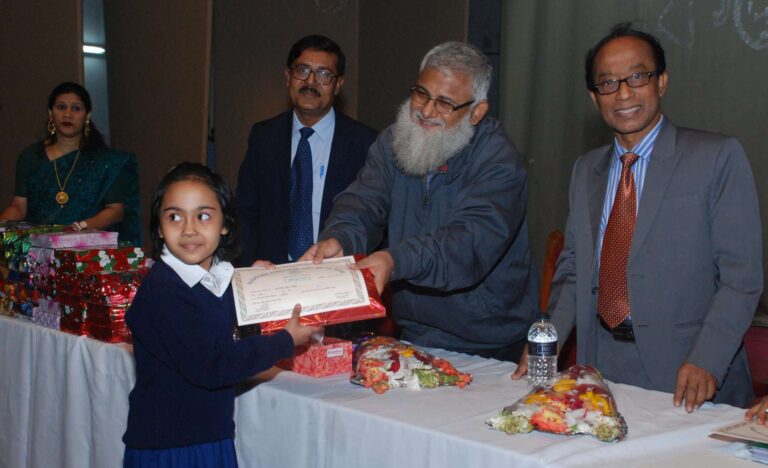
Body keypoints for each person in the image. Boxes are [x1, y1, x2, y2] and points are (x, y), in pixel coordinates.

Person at [513, 24, 762, 411]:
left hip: (688, 372)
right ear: (594, 97)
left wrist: (707, 359)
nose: (624, 93)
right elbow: (574, 270)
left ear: (661, 82)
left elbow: (741, 279)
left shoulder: (716, 158)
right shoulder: (586, 169)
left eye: (637, 77)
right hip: (599, 367)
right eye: (608, 83)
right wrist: (547, 344)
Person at [302, 41, 539, 362]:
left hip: (490, 342)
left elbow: (467, 243)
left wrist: (395, 260)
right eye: (421, 94)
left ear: (477, 112)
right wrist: (340, 238)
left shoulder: (499, 161)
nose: (426, 111)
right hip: (416, 333)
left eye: (445, 103)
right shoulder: (395, 140)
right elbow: (362, 202)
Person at [123, 163, 319, 466]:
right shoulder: (163, 291)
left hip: (206, 436)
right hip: (172, 447)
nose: (189, 229)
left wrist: (250, 282)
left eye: (203, 216)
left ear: (225, 224)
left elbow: (216, 303)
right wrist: (284, 341)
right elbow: (212, 365)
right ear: (159, 227)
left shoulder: (214, 277)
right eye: (174, 216)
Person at [235, 34, 377, 266]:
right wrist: (251, 266)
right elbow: (246, 211)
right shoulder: (264, 137)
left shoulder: (365, 143)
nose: (311, 82)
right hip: (270, 272)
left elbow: (374, 217)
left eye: (324, 74)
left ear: (338, 84)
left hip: (336, 271)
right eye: (302, 70)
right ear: (288, 77)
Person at [0, 82, 141, 245]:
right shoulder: (31, 156)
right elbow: (18, 207)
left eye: (76, 108)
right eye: (61, 107)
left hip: (86, 247)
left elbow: (115, 211)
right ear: (50, 113)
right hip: (38, 248)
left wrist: (77, 228)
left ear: (87, 115)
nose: (67, 114)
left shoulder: (106, 161)